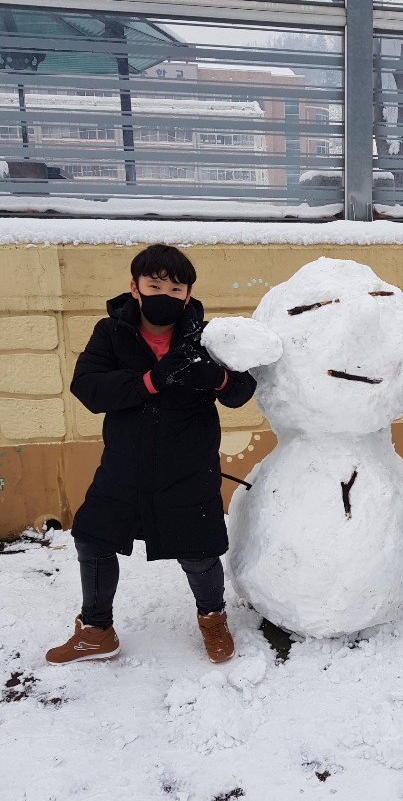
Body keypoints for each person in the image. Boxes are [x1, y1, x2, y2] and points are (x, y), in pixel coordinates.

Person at [46, 245, 257, 666]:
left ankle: (212, 619)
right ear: (135, 287)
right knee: (92, 539)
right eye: (154, 284)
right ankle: (96, 630)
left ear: (188, 293)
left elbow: (242, 392)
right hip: (125, 466)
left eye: (175, 287)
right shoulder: (111, 333)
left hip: (188, 467)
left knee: (198, 553)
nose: (165, 294)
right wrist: (150, 380)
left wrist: (215, 376)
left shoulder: (206, 336)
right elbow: (88, 389)